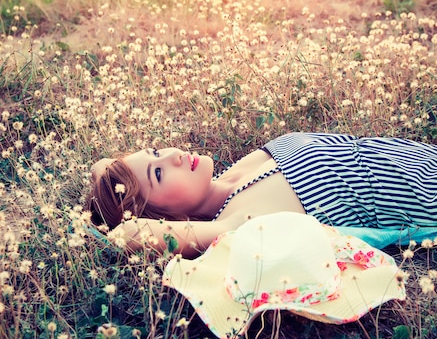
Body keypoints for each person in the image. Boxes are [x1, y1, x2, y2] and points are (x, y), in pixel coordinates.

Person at [88, 132, 437, 257]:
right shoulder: (238, 223)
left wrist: (108, 173)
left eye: (154, 151)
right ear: (169, 220)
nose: (173, 154)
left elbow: (102, 164)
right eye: (160, 173)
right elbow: (129, 234)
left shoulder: (239, 173)